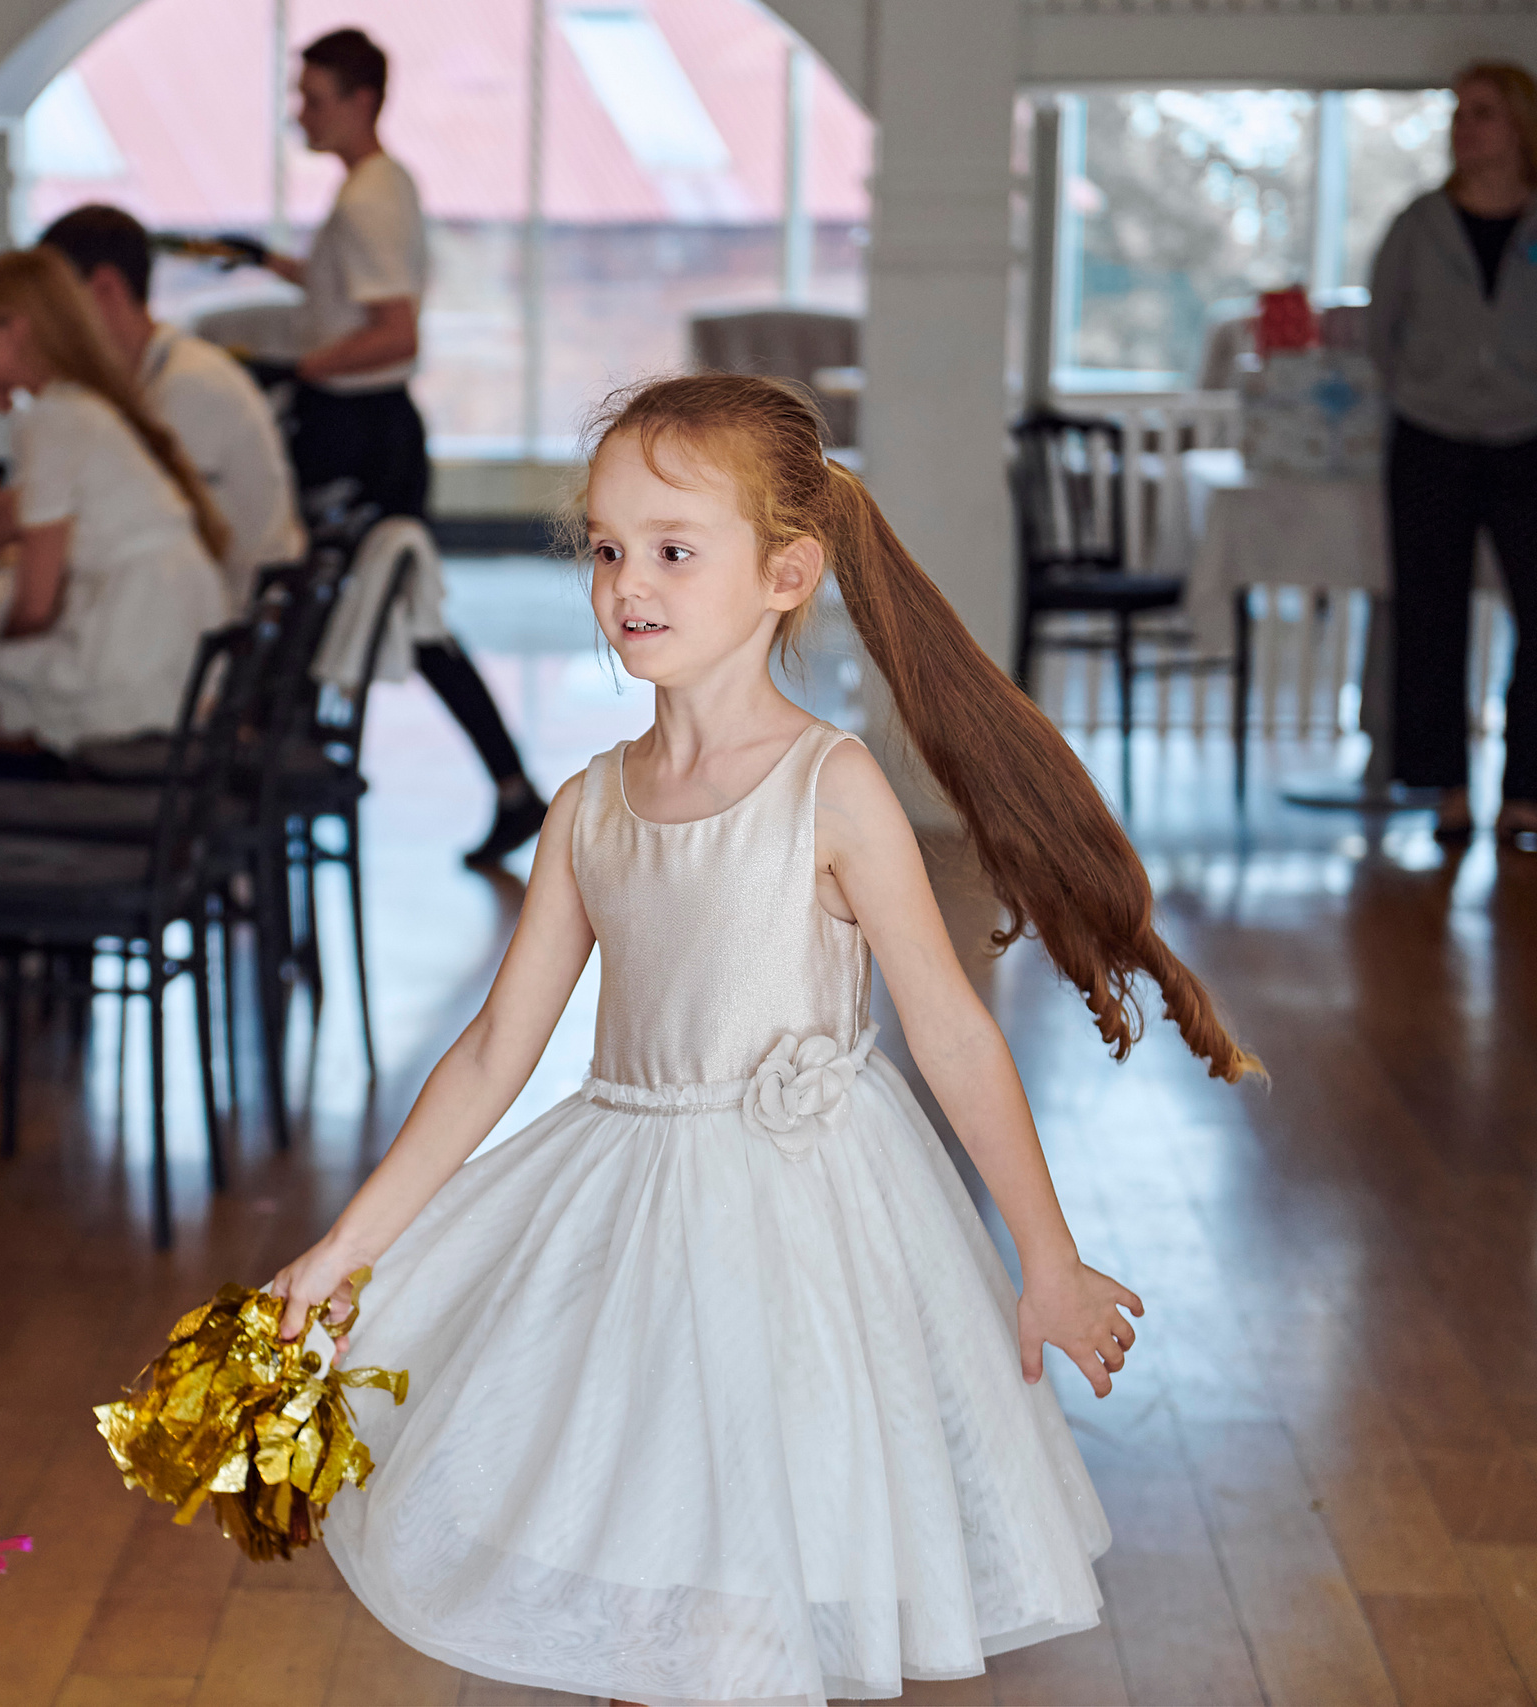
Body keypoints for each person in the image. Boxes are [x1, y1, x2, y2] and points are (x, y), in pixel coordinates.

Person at [270, 374, 1260, 1707]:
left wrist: (1048, 1257)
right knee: (640, 1583)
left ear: (786, 573)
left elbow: (953, 1032)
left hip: (798, 1239)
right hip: (628, 1224)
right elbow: (496, 1047)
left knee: (745, 1595)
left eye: (673, 550)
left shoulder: (829, 789)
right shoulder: (587, 808)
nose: (629, 582)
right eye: (607, 549)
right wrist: (349, 1245)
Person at [250, 29, 545, 867]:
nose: (300, 113)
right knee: (391, 613)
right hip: (367, 427)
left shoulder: (369, 199)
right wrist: (270, 263)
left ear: (363, 100)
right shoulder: (381, 184)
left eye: (314, 98)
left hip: (360, 433)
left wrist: (296, 369)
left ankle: (275, 787)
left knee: (367, 609)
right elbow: (352, 293)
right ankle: (510, 787)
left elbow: (394, 333)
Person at [0, 248, 232, 769]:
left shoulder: (56, 418)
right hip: (170, 631)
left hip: (136, 641)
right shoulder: (76, 406)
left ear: (17, 328)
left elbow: (36, 605)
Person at [1368, 60, 1537, 848]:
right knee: (1431, 616)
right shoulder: (1418, 224)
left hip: (1527, 441)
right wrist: (1424, 388)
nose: (1465, 127)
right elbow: (1382, 330)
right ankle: (1449, 789)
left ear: (1521, 125)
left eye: (1483, 112)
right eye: (1459, 113)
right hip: (1430, 438)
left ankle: (1527, 791)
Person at [40, 204, 305, 605]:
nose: (46, 324)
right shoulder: (147, 375)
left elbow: (152, 531)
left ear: (105, 289)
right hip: (194, 592)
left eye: (53, 303)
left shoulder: (191, 383)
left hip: (234, 607)